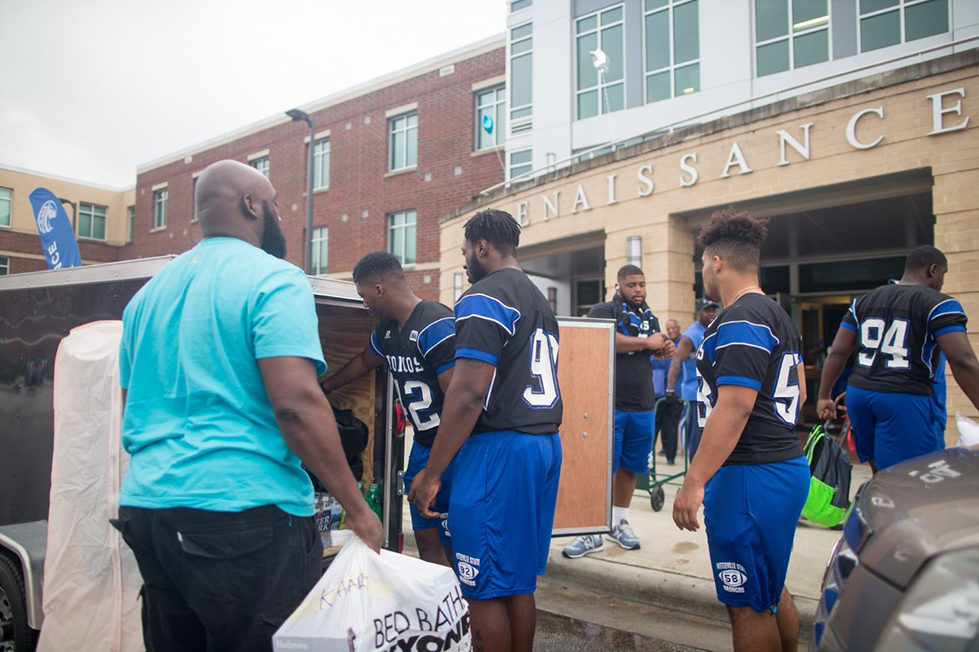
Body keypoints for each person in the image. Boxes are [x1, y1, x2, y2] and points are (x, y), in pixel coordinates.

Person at [114, 160, 383, 652]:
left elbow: (134, 407)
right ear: (251, 204)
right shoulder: (274, 279)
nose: (279, 213)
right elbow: (297, 405)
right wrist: (358, 510)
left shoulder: (146, 298)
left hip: (148, 510)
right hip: (242, 516)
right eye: (276, 202)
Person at [408, 209, 562, 652]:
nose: (463, 262)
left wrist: (433, 473)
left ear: (482, 247)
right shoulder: (537, 297)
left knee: (481, 584)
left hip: (499, 450)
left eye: (463, 252)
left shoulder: (483, 294)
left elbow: (468, 393)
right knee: (516, 580)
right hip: (543, 443)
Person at [673, 207, 810, 652]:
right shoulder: (778, 315)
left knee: (746, 603)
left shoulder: (742, 318)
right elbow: (801, 394)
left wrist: (693, 481)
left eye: (701, 263)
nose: (702, 272)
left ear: (716, 262)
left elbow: (735, 408)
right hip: (780, 466)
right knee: (768, 589)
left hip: (751, 474)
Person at [320, 251, 456, 566]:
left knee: (453, 538)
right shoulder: (386, 329)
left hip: (450, 446)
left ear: (379, 290)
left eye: (364, 296)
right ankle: (439, 607)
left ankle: (464, 608)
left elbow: (458, 400)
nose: (364, 304)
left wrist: (435, 468)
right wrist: (324, 388)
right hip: (421, 444)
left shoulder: (435, 322)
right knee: (425, 536)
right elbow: (364, 362)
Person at [817, 245, 979, 471]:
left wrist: (824, 395)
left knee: (880, 474)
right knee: (913, 476)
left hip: (859, 395)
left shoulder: (862, 302)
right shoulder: (941, 304)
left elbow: (838, 351)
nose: (943, 282)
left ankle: (878, 506)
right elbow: (962, 359)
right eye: (944, 274)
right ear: (933, 270)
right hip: (904, 398)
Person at [562, 264, 674, 559]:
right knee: (600, 470)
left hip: (643, 404)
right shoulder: (603, 310)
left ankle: (619, 521)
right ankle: (590, 530)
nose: (638, 290)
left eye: (642, 284)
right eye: (632, 285)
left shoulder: (649, 317)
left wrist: (663, 349)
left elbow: (654, 346)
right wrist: (647, 343)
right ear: (619, 285)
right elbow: (606, 338)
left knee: (630, 468)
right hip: (608, 404)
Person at [667, 298, 720, 460]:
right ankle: (694, 477)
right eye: (707, 310)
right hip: (695, 394)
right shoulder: (691, 335)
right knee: (697, 439)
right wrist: (670, 390)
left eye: (713, 310)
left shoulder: (712, 330)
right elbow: (676, 362)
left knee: (711, 437)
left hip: (711, 392)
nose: (711, 314)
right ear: (699, 312)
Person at [653, 320, 683, 465]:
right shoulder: (670, 348)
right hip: (661, 394)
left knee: (668, 425)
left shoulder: (682, 344)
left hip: (673, 393)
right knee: (660, 424)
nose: (671, 330)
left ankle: (667, 456)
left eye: (673, 327)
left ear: (679, 328)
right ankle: (657, 454)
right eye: (668, 328)